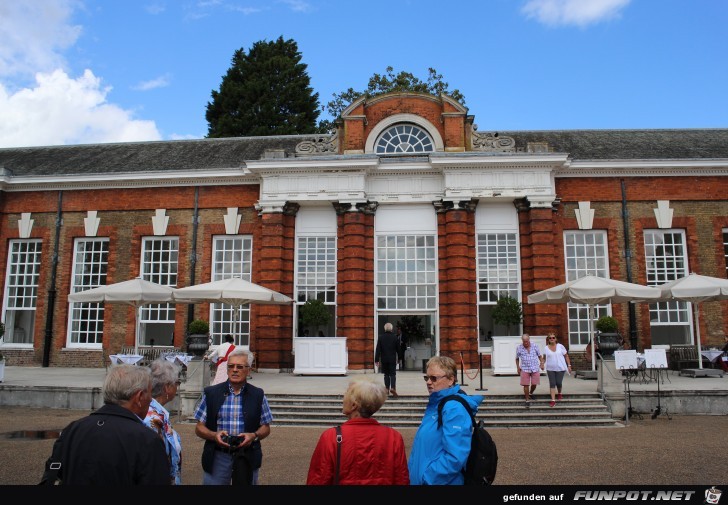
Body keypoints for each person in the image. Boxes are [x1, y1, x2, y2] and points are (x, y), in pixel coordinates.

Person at [41, 364, 170, 485]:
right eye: (149, 393)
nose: (151, 399)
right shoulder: (147, 440)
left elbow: (53, 474)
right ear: (139, 397)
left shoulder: (73, 429)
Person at [306, 379, 409, 485]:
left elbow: (319, 478)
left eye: (346, 393)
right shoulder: (393, 437)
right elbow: (401, 478)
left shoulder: (331, 436)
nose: (343, 396)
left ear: (354, 405)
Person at [193, 348, 272, 485]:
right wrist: (213, 435)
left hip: (247, 454)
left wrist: (253, 435)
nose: (234, 370)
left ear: (249, 370)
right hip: (218, 455)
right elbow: (199, 427)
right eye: (231, 366)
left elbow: (266, 427)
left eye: (240, 367)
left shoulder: (258, 395)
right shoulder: (211, 393)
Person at [408, 356, 484, 485]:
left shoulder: (453, 409)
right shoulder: (438, 404)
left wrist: (427, 479)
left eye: (434, 378)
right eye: (427, 377)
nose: (428, 382)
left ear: (451, 379)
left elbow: (456, 456)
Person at [144, 358, 183, 484]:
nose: (178, 386)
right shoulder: (153, 417)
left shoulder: (158, 412)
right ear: (167, 387)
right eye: (177, 383)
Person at [543, 332, 572, 407]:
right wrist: (542, 364)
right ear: (548, 340)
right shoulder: (546, 348)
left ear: (556, 339)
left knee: (558, 382)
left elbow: (566, 356)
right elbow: (544, 358)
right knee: (552, 383)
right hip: (550, 368)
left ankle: (559, 393)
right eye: (550, 338)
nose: (552, 339)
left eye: (553, 338)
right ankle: (553, 400)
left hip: (560, 367)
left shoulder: (560, 346)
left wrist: (569, 365)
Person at [515, 333, 544, 407]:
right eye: (524, 341)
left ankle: (530, 393)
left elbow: (540, 356)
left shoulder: (535, 346)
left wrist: (542, 363)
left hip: (535, 367)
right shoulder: (519, 348)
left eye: (527, 341)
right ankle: (527, 400)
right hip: (524, 368)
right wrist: (518, 367)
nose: (526, 343)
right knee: (526, 384)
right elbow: (517, 358)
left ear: (529, 340)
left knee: (534, 383)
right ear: (522, 341)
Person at [374, 322, 399, 397]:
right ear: (391, 329)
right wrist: (400, 358)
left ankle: (387, 389)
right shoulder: (395, 337)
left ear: (385, 328)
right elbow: (398, 349)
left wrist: (376, 360)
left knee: (386, 374)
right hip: (392, 359)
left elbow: (378, 349)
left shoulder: (381, 337)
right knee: (393, 374)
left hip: (384, 359)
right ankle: (393, 388)